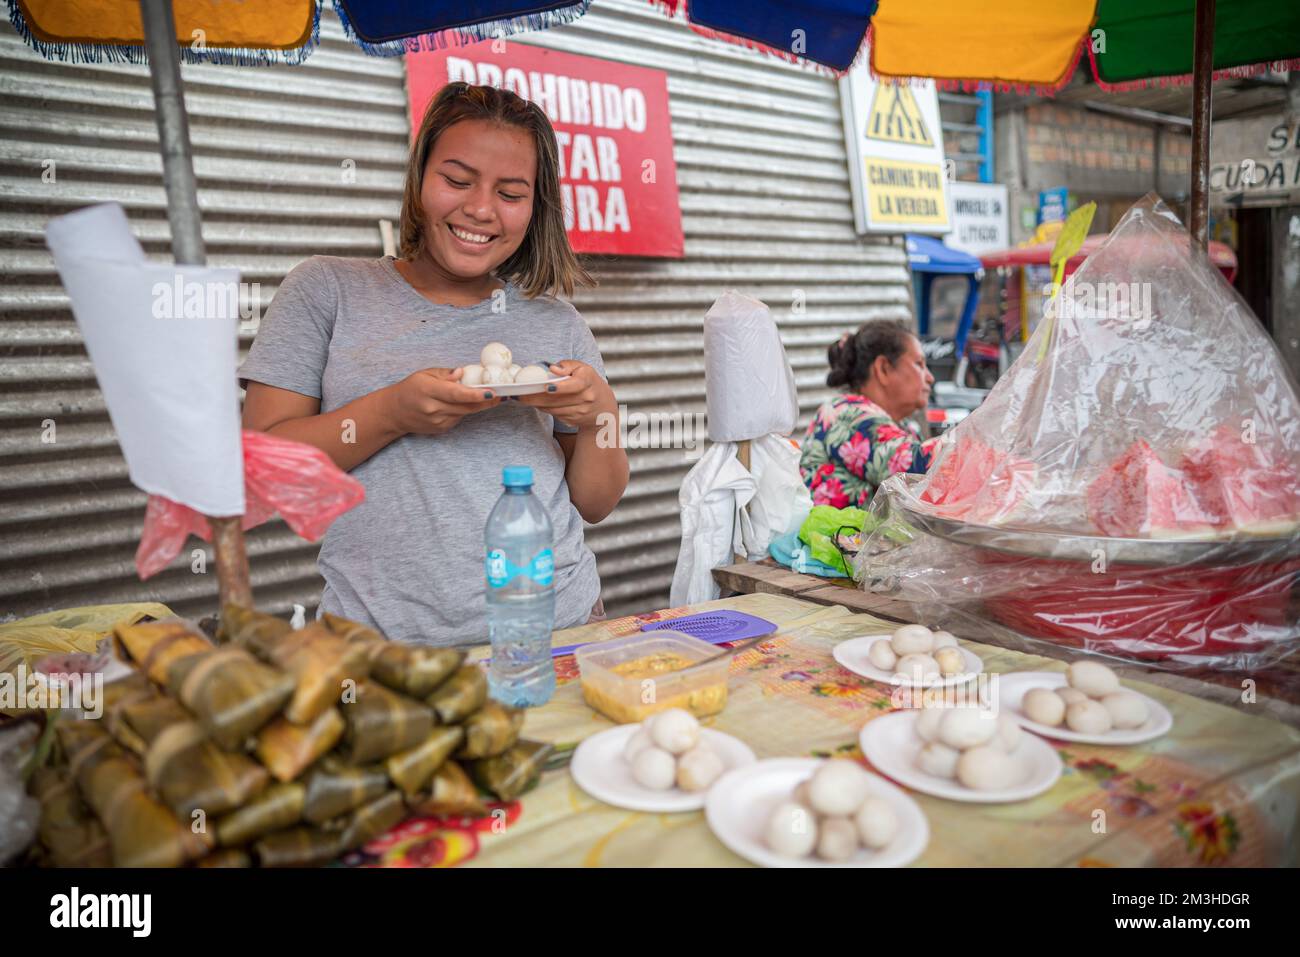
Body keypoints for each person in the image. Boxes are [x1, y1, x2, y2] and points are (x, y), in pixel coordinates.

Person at [239, 83, 629, 644]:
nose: (480, 209)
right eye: (457, 179)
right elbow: (265, 474)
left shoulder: (556, 322)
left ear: (536, 206)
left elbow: (596, 502)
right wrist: (392, 412)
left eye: (511, 192)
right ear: (420, 177)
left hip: (554, 633)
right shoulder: (326, 291)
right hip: (381, 653)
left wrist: (598, 416)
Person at [800, 320, 939, 507]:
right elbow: (916, 468)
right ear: (883, 368)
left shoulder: (907, 428)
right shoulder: (846, 415)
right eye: (919, 364)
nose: (930, 377)